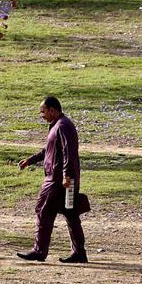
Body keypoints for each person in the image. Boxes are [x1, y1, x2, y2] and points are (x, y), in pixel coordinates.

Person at [16, 96, 87, 263]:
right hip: (62, 178)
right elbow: (48, 150)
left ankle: (39, 251)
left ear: (52, 110)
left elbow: (68, 152)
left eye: (43, 111)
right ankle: (79, 253)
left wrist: (66, 176)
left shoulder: (62, 126)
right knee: (71, 213)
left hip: (57, 180)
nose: (41, 115)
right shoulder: (59, 125)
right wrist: (30, 160)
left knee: (43, 210)